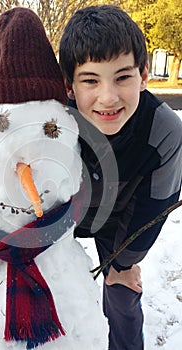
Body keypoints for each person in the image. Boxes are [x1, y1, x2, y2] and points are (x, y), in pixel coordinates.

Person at [59, 4, 182, 350]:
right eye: (90, 80)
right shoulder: (51, 120)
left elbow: (155, 206)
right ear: (69, 86)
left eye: (123, 77)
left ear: (143, 75)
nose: (108, 97)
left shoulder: (164, 130)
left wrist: (122, 263)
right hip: (58, 215)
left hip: (118, 222)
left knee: (122, 294)